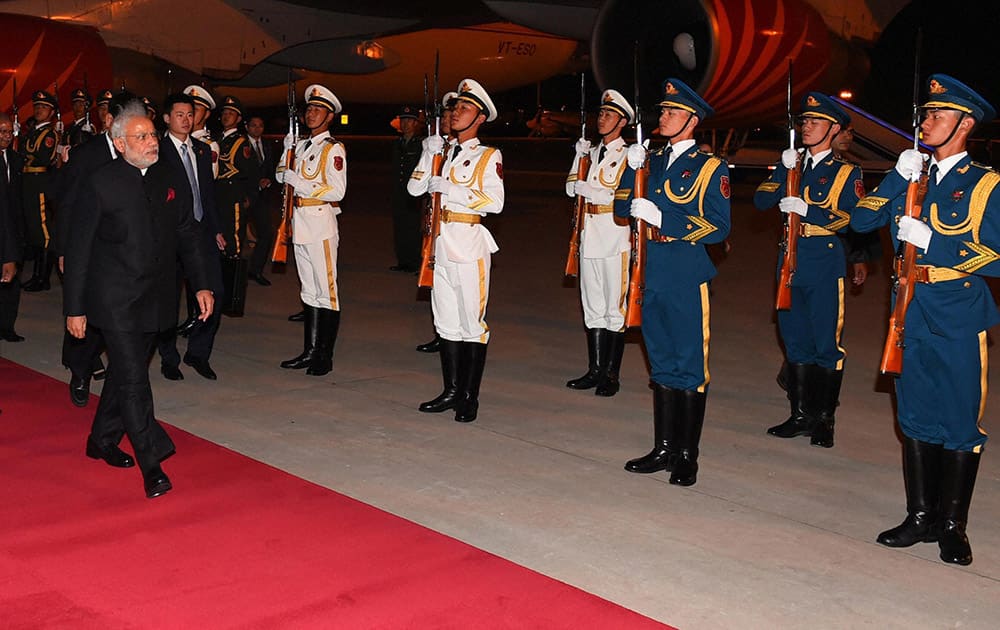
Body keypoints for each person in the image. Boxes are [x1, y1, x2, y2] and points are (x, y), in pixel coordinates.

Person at [852, 74, 998, 566]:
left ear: (965, 124)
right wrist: (896, 177)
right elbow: (861, 220)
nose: (926, 122)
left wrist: (937, 244)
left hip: (957, 311)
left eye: (938, 115)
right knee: (914, 416)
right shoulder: (912, 177)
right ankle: (920, 516)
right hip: (909, 310)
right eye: (926, 114)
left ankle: (953, 526)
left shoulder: (985, 184)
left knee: (958, 420)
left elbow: (997, 256)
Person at [64, 99, 215, 499]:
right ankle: (153, 462)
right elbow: (78, 251)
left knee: (122, 375)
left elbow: (188, 234)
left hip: (158, 298)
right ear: (119, 142)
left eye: (152, 134)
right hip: (114, 301)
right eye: (142, 136)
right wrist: (74, 308)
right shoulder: (101, 182)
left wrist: (201, 284)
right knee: (134, 379)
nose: (152, 141)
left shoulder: (169, 177)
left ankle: (101, 439)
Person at [618, 78, 731, 486]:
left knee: (689, 367)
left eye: (671, 112)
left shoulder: (709, 167)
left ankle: (687, 455)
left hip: (685, 274)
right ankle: (663, 447)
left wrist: (666, 220)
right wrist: (630, 172)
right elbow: (621, 207)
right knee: (661, 365)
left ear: (692, 120)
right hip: (649, 273)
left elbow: (719, 228)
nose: (662, 117)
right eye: (662, 111)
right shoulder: (649, 159)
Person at [753, 92, 862, 449]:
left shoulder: (847, 172)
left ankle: (824, 418)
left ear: (833, 129)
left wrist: (809, 210)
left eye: (815, 122)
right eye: (804, 121)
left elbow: (853, 219)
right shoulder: (792, 163)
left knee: (826, 344)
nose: (807, 126)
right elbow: (761, 200)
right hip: (790, 261)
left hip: (823, 261)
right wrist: (783, 170)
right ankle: (800, 414)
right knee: (795, 340)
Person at [407, 79, 504, 423]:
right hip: (440, 246)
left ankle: (468, 396)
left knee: (471, 325)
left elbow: (495, 202)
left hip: (468, 244)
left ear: (479, 118)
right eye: (455, 107)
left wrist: (453, 189)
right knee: (445, 322)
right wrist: (427, 152)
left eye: (464, 108)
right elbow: (414, 187)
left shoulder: (488, 156)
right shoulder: (442, 152)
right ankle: (449, 391)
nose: (456, 113)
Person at [54, 92, 136, 406]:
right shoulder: (86, 155)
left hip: (124, 252)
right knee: (84, 313)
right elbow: (67, 204)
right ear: (108, 120)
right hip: (89, 249)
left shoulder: (139, 152)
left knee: (114, 315)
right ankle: (80, 372)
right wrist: (64, 250)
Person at [564, 89, 634, 397]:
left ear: (622, 121)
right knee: (592, 306)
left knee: (613, 309)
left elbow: (626, 196)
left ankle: (611, 374)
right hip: (589, 234)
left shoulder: (629, 155)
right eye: (601, 113)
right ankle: (594, 369)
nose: (601, 119)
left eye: (608, 115)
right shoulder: (590, 152)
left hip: (614, 235)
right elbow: (570, 188)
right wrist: (579, 157)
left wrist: (588, 191)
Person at [275, 84, 346, 377]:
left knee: (326, 293)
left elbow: (337, 190)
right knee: (309, 292)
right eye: (309, 109)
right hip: (299, 222)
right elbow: (281, 174)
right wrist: (286, 151)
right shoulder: (301, 146)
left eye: (318, 110)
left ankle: (324, 355)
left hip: (320, 223)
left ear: (329, 116)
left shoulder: (333, 148)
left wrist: (300, 183)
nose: (311, 113)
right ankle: (309, 350)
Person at [156, 92, 227, 382]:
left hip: (202, 233)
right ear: (166, 118)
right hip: (171, 237)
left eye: (190, 115)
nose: (186, 120)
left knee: (215, 293)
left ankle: (198, 353)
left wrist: (217, 228)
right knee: (168, 299)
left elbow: (208, 194)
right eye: (180, 115)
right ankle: (168, 357)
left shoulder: (201, 149)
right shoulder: (158, 150)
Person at [413, 91, 458, 354]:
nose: (445, 119)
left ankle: (451, 336)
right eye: (443, 115)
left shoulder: (463, 150)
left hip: (453, 227)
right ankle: (440, 332)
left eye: (451, 114)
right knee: (434, 279)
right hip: (433, 220)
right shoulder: (436, 147)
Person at [18, 90, 60, 292]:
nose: (39, 110)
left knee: (43, 231)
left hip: (40, 182)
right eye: (37, 106)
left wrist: (26, 155)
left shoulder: (49, 134)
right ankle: (36, 275)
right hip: (28, 182)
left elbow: (42, 157)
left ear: (51, 112)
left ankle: (43, 278)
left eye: (44, 107)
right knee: (34, 230)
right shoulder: (32, 132)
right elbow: (24, 153)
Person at [215, 96, 260, 260]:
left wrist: (249, 197)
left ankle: (234, 283)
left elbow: (251, 173)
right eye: (224, 112)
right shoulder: (216, 139)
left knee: (233, 242)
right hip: (217, 196)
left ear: (239, 118)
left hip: (232, 196)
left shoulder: (241, 143)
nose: (227, 116)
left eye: (231, 113)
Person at [390, 105, 425, 273]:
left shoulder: (421, 145)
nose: (405, 124)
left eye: (409, 120)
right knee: (400, 228)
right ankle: (403, 261)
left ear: (416, 123)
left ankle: (416, 263)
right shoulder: (397, 144)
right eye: (403, 120)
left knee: (414, 228)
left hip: (415, 195)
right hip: (398, 193)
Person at [0, 114, 24, 340]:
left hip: (14, 229)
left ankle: (7, 327)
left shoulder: (17, 160)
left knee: (12, 283)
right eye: (2, 131)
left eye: (10, 132)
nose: (6, 136)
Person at [245, 115, 276, 286]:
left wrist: (268, 180)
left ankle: (255, 270)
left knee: (267, 232)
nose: (257, 128)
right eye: (253, 125)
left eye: (260, 125)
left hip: (261, 197)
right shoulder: (241, 144)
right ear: (247, 127)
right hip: (245, 197)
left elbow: (269, 168)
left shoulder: (266, 145)